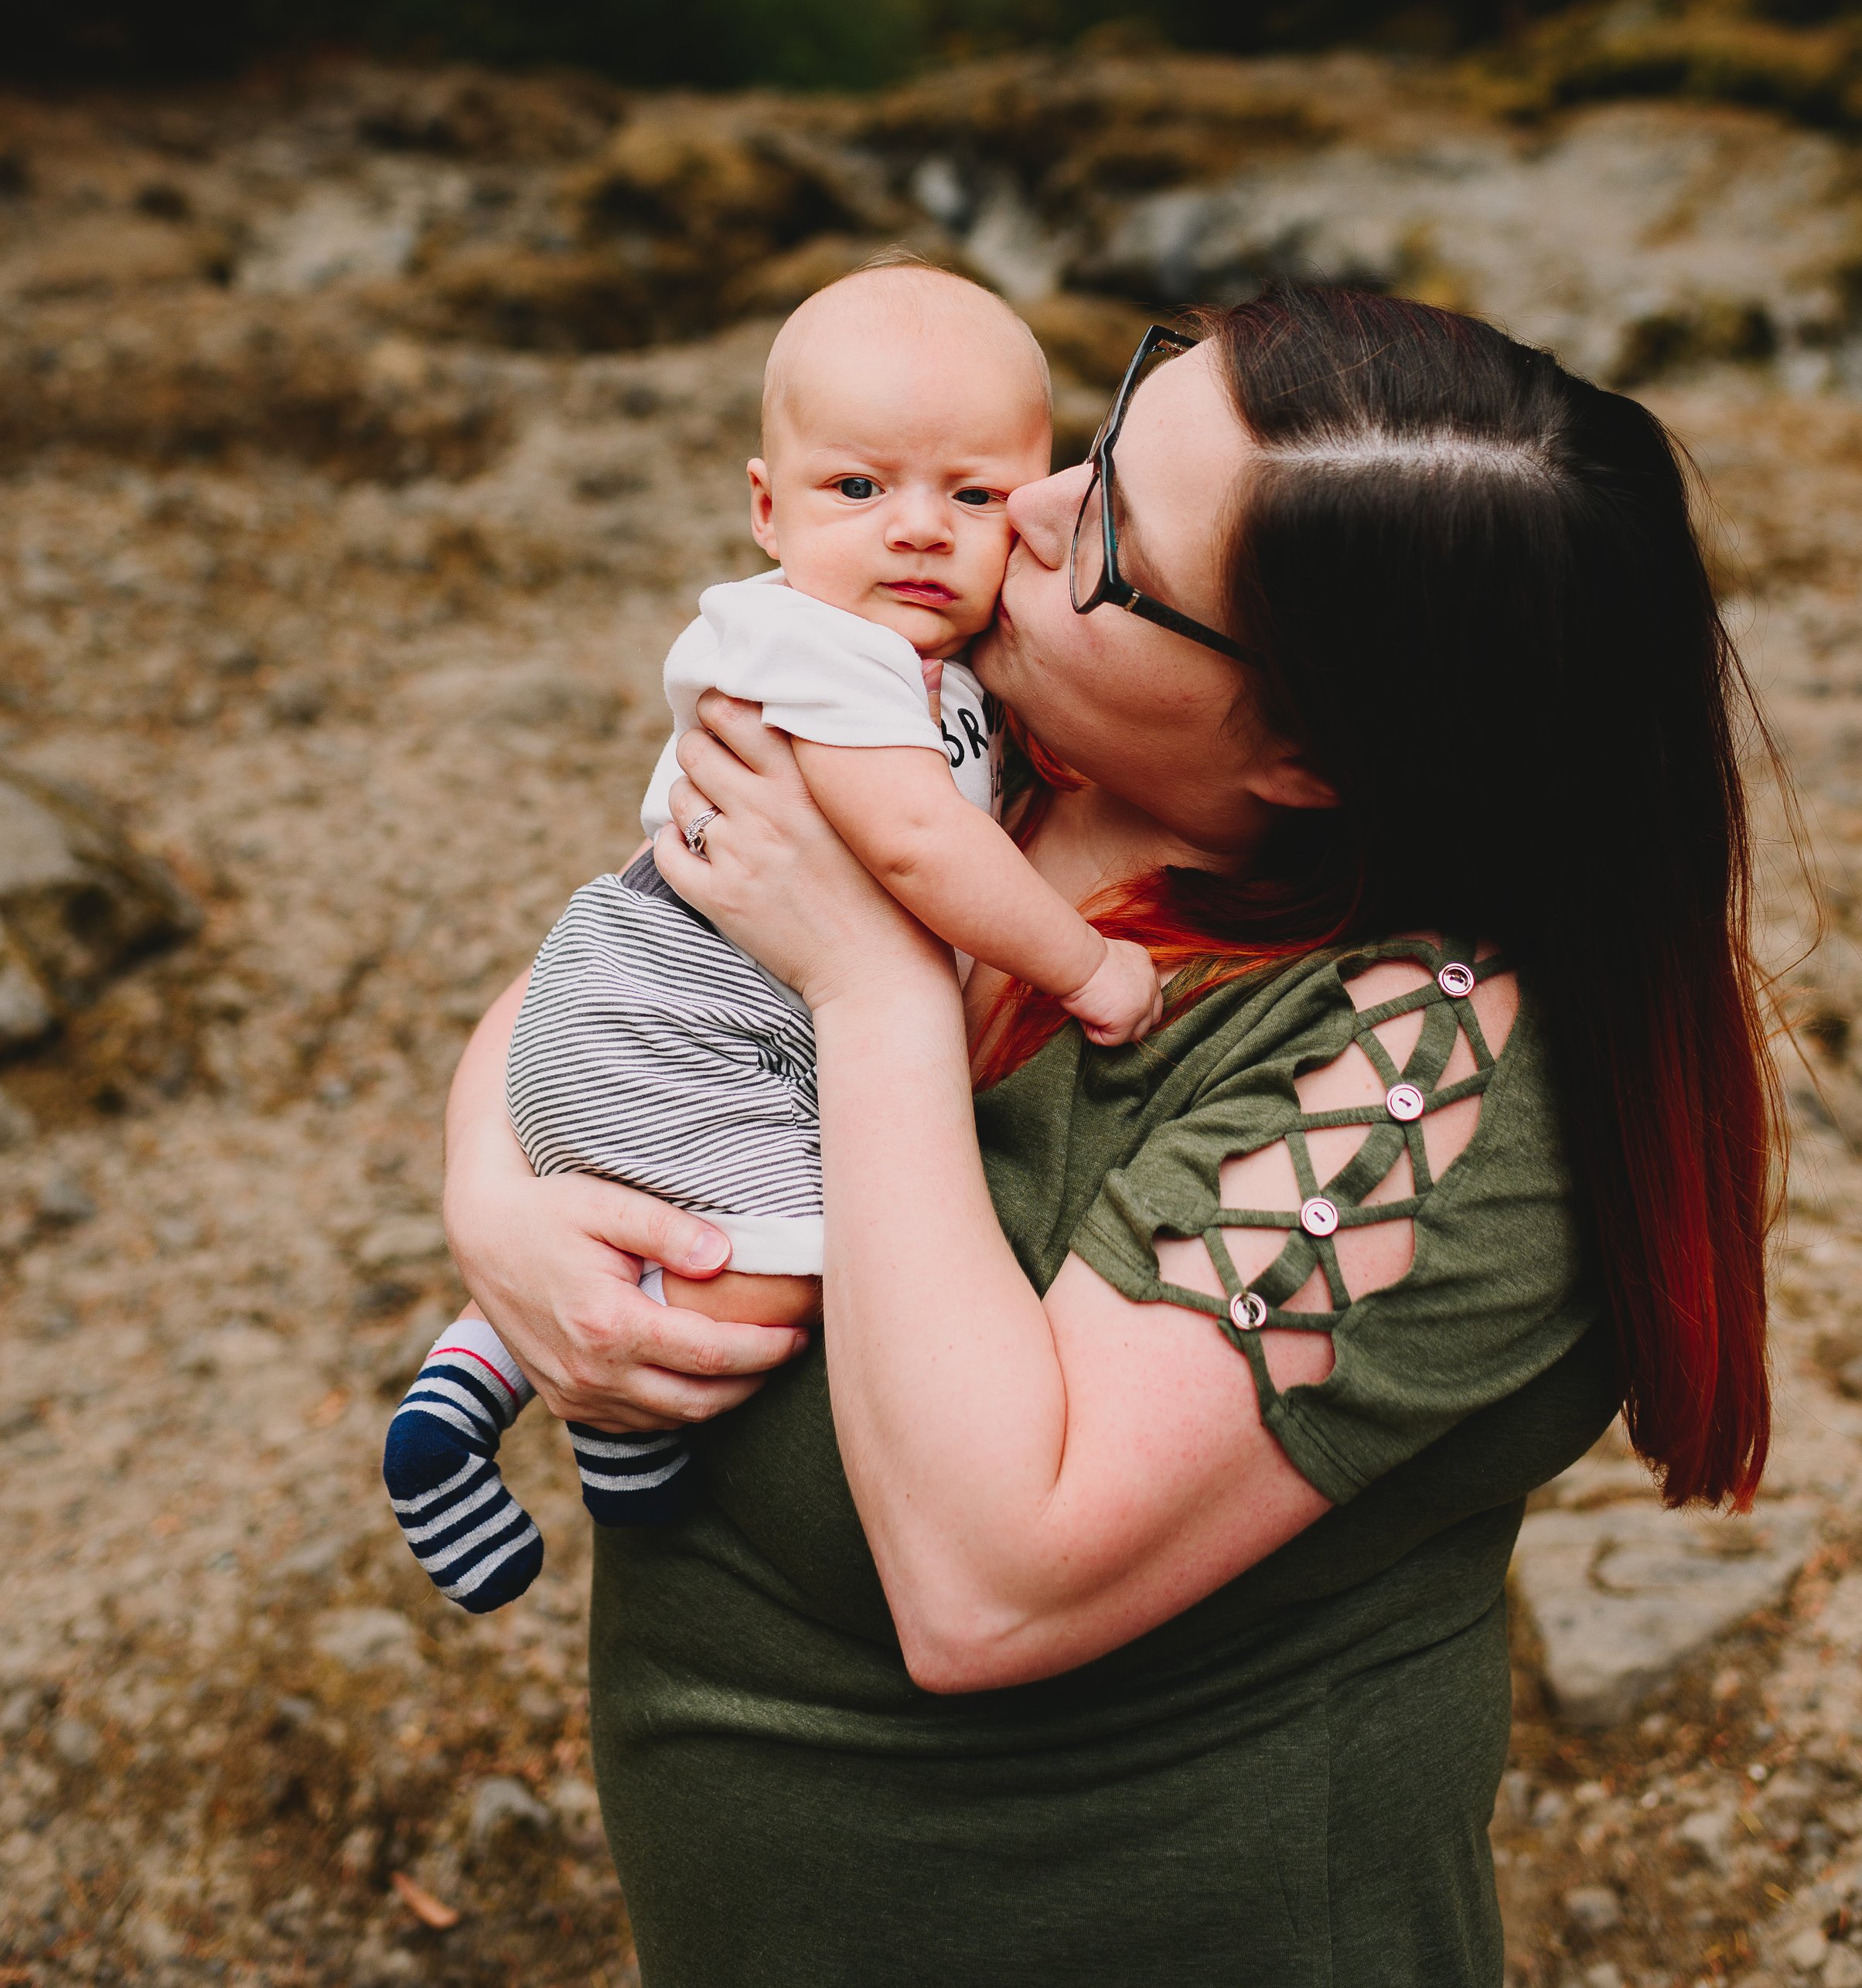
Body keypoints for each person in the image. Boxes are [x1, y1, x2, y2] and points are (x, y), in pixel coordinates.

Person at [440, 284, 1784, 1988]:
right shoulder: (1000, 737)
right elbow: (613, 962)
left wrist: (872, 997)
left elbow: (987, 1579)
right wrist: (491, 1195)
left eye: (1116, 543)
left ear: (1306, 747)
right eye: (1101, 439)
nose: (1028, 509)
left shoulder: (1430, 1087)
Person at [383, 265, 1161, 1612]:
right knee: (782, 1262)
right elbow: (914, 841)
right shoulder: (818, 651)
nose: (918, 531)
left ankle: (463, 1387)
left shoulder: (944, 670)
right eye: (859, 490)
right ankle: (620, 1434)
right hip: (686, 1014)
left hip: (683, 1007)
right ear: (765, 508)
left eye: (971, 496)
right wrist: (1086, 967)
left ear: (1034, 504)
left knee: (641, 1231)